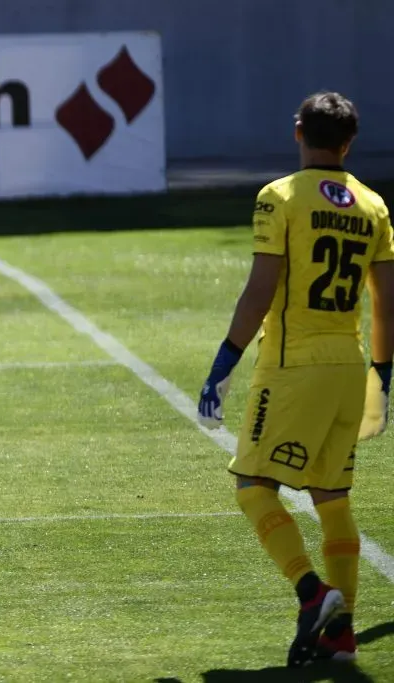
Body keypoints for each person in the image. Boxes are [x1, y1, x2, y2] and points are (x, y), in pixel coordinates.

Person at [197, 91, 394, 668]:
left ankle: (312, 594)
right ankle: (341, 637)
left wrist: (225, 361)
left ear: (298, 131)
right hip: (348, 368)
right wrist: (382, 376)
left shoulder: (279, 197)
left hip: (292, 367)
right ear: (349, 142)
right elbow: (386, 306)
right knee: (332, 498)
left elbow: (261, 289)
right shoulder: (373, 205)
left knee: (255, 487)